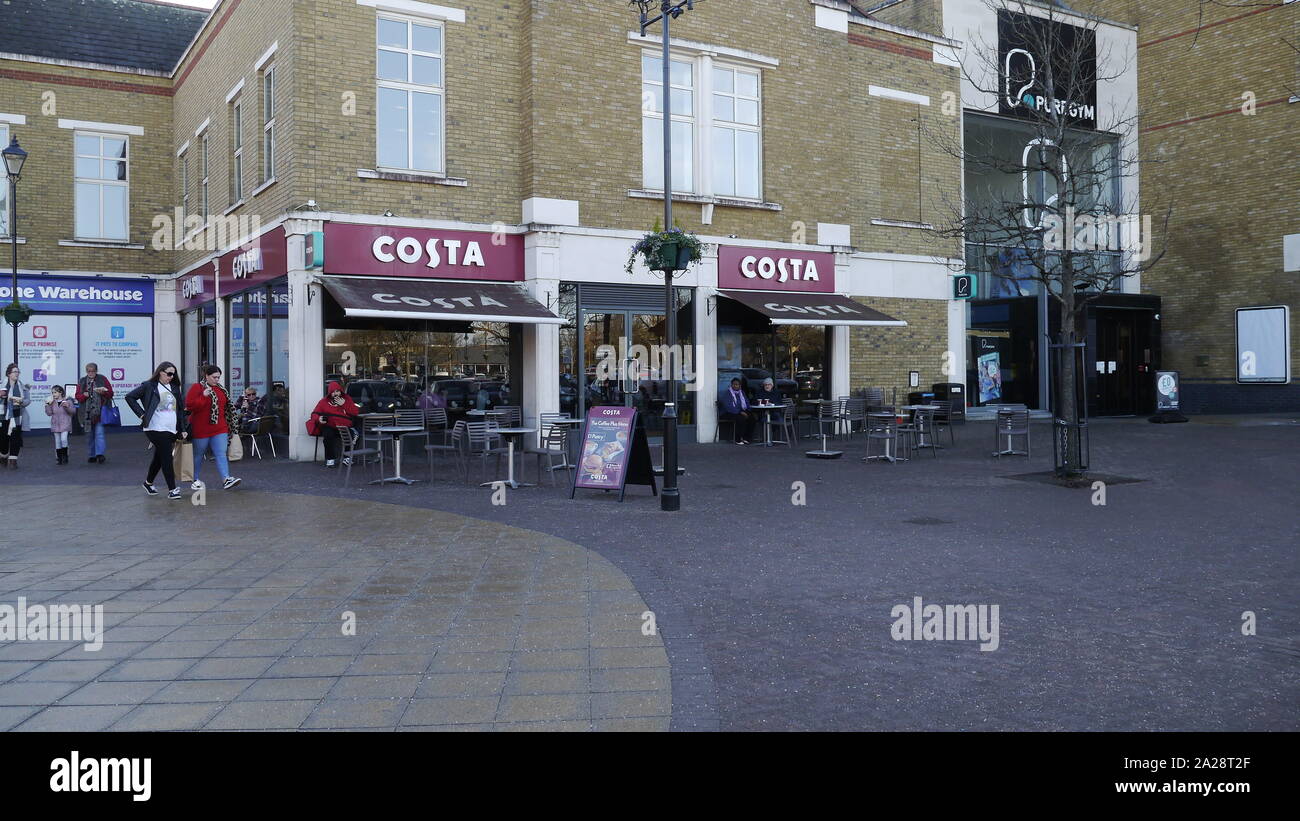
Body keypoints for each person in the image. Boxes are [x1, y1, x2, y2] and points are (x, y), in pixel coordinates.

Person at [126, 362, 189, 500]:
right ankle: (172, 490)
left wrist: (183, 428)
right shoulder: (149, 386)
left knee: (159, 457)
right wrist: (142, 414)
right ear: (160, 372)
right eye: (169, 373)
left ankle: (148, 483)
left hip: (171, 428)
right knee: (167, 457)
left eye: (174, 374)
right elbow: (129, 397)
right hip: (154, 428)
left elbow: (179, 410)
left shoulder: (174, 388)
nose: (171, 377)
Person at [185, 364, 242, 490]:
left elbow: (226, 408)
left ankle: (226, 478)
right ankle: (194, 479)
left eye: (218, 377)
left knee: (221, 453)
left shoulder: (221, 389)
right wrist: (203, 396)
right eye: (214, 377)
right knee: (198, 455)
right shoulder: (197, 388)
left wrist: (230, 424)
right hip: (201, 428)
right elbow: (190, 406)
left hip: (220, 427)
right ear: (206, 376)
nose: (217, 380)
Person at [312, 381, 360, 467]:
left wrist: (344, 404)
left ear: (340, 391)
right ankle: (330, 459)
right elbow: (314, 414)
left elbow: (355, 412)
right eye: (333, 392)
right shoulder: (323, 402)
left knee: (354, 434)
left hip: (344, 427)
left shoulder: (347, 399)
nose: (336, 394)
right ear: (330, 393)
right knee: (328, 434)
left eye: (337, 391)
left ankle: (347, 458)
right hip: (330, 426)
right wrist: (319, 419)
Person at [76, 362, 113, 463]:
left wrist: (104, 392)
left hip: (100, 412)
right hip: (86, 414)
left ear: (96, 371)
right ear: (86, 371)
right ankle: (91, 455)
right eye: (89, 371)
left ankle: (100, 454)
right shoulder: (82, 381)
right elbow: (77, 396)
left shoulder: (102, 379)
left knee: (99, 434)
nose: (91, 373)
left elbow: (111, 393)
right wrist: (84, 395)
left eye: (93, 371)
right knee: (89, 436)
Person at [0, 364, 31, 469]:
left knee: (16, 438)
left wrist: (21, 402)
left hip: (18, 416)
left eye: (18, 372)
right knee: (3, 438)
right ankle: (3, 455)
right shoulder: (1, 385)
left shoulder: (22, 386)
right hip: (3, 416)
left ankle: (13, 460)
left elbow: (28, 400)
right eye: (14, 372)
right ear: (9, 374)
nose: (17, 374)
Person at [44, 385, 75, 465]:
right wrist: (47, 405)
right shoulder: (52, 402)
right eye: (52, 393)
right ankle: (59, 458)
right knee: (57, 442)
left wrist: (67, 407)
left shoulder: (68, 401)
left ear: (60, 392)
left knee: (63, 439)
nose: (53, 394)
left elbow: (72, 412)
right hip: (55, 424)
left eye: (55, 392)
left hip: (65, 424)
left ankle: (65, 456)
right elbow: (49, 413)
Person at [719, 377, 756, 445]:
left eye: (737, 384)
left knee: (752, 417)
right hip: (727, 413)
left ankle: (746, 438)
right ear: (731, 385)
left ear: (740, 385)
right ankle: (738, 439)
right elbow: (729, 406)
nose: (735, 386)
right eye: (734, 384)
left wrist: (748, 410)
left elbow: (746, 402)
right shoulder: (728, 393)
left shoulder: (742, 393)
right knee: (741, 418)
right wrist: (740, 412)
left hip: (739, 411)